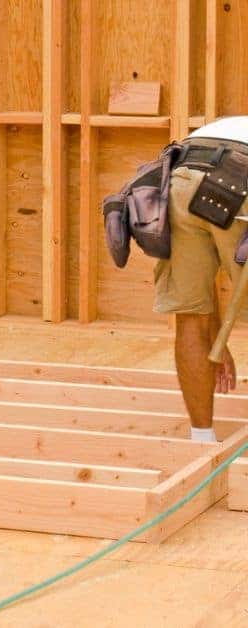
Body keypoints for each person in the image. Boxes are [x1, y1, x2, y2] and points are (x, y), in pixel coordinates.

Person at [154, 116, 248, 442]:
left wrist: (216, 338)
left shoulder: (232, 123)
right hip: (240, 174)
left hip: (183, 174)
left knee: (191, 315)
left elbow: (207, 284)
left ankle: (202, 441)